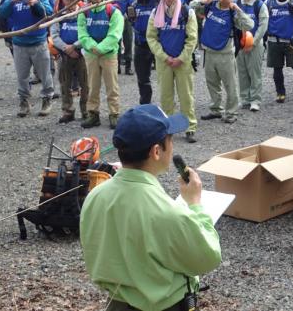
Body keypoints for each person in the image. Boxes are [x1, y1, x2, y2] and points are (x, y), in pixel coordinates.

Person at [80, 104, 221, 311]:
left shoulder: (95, 195)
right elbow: (208, 257)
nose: (172, 145)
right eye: (170, 139)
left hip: (116, 304)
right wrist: (195, 205)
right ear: (156, 151)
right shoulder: (166, 211)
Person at [191, 0, 253, 124]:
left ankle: (231, 113)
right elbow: (190, 6)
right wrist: (203, 1)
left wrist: (238, 9)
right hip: (209, 52)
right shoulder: (211, 6)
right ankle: (216, 110)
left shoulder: (233, 13)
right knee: (212, 83)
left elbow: (250, 25)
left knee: (230, 85)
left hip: (225, 55)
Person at [147, 0, 199, 141]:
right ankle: (167, 127)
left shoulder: (187, 11)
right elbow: (151, 38)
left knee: (186, 95)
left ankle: (190, 127)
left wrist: (182, 58)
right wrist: (164, 57)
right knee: (165, 96)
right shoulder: (156, 13)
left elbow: (192, 38)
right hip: (164, 62)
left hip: (183, 62)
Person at [0, 0, 54, 117]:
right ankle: (24, 102)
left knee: (45, 74)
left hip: (39, 43)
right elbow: (2, 14)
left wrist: (35, 4)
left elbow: (49, 13)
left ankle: (46, 100)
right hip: (19, 44)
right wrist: (12, 2)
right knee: (22, 76)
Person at [78, 0, 125, 129]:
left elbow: (115, 34)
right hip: (91, 54)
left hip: (109, 54)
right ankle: (93, 113)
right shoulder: (84, 12)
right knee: (92, 85)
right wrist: (92, 47)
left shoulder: (113, 11)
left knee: (112, 86)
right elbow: (82, 33)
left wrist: (101, 48)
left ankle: (114, 113)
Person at [50, 0, 88, 123]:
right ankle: (68, 111)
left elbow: (87, 34)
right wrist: (66, 48)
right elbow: (54, 36)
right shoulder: (58, 15)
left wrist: (75, 47)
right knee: (64, 83)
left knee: (86, 84)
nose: (70, 1)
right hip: (64, 55)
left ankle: (86, 111)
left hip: (82, 54)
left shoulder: (85, 13)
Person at [237, 0, 269, 112]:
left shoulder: (259, 5)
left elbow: (263, 25)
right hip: (240, 44)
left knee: (254, 72)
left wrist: (253, 42)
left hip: (255, 44)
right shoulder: (237, 4)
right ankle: (245, 98)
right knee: (242, 72)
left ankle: (255, 100)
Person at [130, 0, 160, 105]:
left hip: (158, 45)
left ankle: (167, 106)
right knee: (142, 78)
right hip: (140, 45)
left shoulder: (159, 0)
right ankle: (145, 105)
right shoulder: (134, 2)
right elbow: (132, 20)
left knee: (165, 77)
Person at [107, 0, 135, 75]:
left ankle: (128, 66)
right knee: (116, 42)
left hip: (127, 18)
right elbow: (108, 2)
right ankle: (117, 65)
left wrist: (128, 13)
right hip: (114, 18)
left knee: (128, 41)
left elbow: (132, 0)